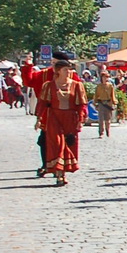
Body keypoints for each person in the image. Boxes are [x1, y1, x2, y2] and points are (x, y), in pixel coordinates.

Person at [39, 59, 87, 187]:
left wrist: (81, 119)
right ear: (58, 71)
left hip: (70, 119)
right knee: (57, 143)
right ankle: (59, 173)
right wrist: (39, 119)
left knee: (68, 145)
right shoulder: (49, 86)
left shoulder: (77, 85)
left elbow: (82, 105)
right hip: (54, 118)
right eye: (66, 69)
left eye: (70, 69)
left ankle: (63, 173)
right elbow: (42, 104)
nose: (69, 72)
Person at [90, 70, 117, 138]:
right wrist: (95, 102)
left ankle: (108, 131)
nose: (106, 78)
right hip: (101, 103)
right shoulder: (99, 86)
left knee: (108, 120)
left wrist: (114, 102)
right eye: (104, 77)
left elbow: (112, 95)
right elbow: (96, 95)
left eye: (107, 77)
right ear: (101, 78)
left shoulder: (110, 86)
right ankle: (101, 133)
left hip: (108, 104)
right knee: (101, 119)